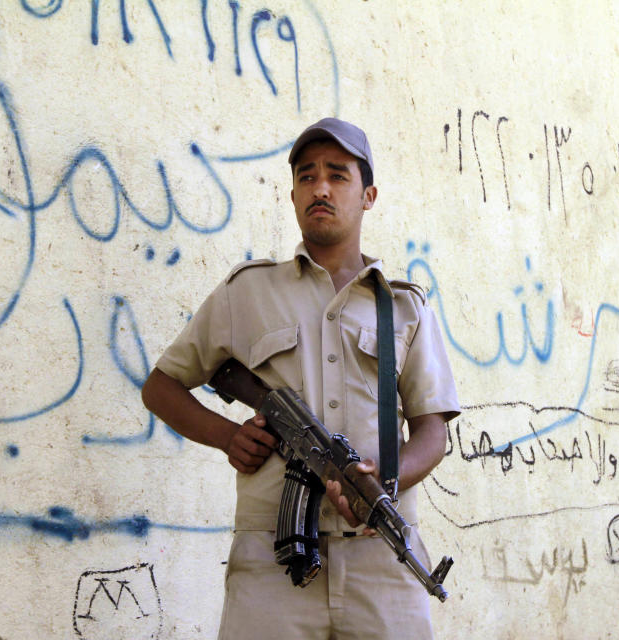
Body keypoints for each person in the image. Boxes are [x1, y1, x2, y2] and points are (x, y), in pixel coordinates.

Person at [141, 117, 460, 639]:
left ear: (368, 195)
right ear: (292, 194)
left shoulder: (403, 308)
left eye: (338, 175)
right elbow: (162, 386)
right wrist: (227, 436)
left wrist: (385, 481)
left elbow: (433, 431)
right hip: (272, 559)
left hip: (382, 563)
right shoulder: (246, 292)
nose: (321, 187)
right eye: (307, 176)